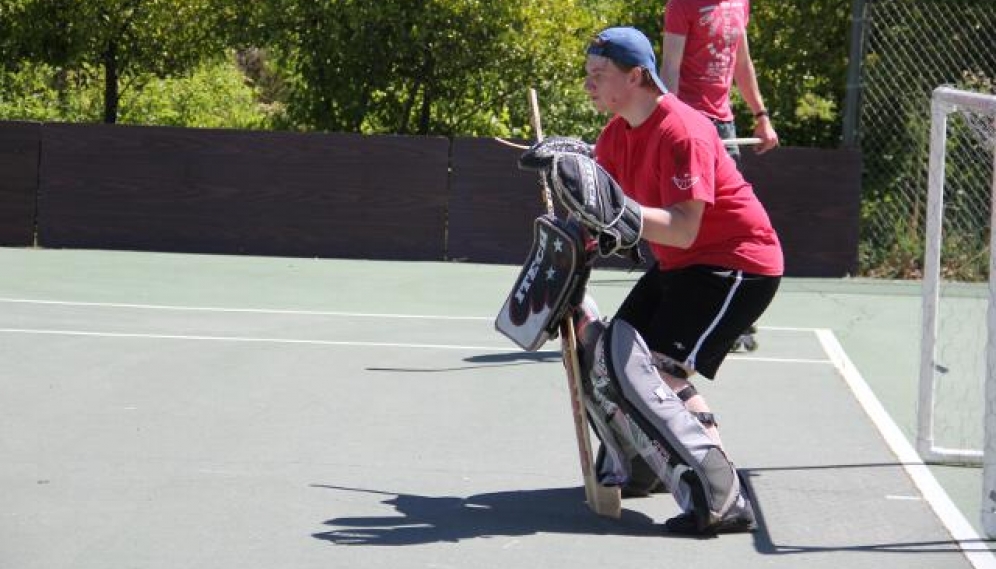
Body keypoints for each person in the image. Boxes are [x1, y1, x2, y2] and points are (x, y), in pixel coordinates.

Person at [526, 26, 782, 530]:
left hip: (736, 265)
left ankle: (722, 492)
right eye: (587, 75)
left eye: (599, 75)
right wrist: (567, 184)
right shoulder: (614, 135)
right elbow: (602, 223)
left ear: (637, 76)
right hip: (680, 265)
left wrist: (618, 208)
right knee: (604, 360)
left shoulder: (682, 130)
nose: (588, 85)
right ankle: (644, 466)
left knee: (652, 372)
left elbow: (684, 228)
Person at [660, 0, 779, 168]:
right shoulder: (681, 4)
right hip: (690, 119)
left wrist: (761, 116)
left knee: (733, 193)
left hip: (725, 122)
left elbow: (742, 64)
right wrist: (669, 121)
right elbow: (670, 68)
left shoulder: (741, 2)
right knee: (693, 194)